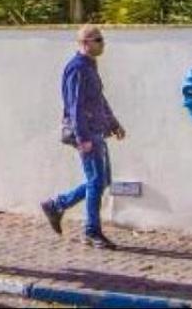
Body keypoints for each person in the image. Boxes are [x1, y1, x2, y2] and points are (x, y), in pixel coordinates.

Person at [42, 23, 126, 249]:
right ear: (84, 43)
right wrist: (83, 138)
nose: (102, 44)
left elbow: (99, 99)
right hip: (87, 132)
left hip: (96, 130)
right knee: (96, 181)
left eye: (102, 39)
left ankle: (57, 205)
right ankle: (91, 231)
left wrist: (113, 123)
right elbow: (75, 106)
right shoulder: (77, 68)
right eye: (98, 40)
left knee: (101, 180)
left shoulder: (89, 66)